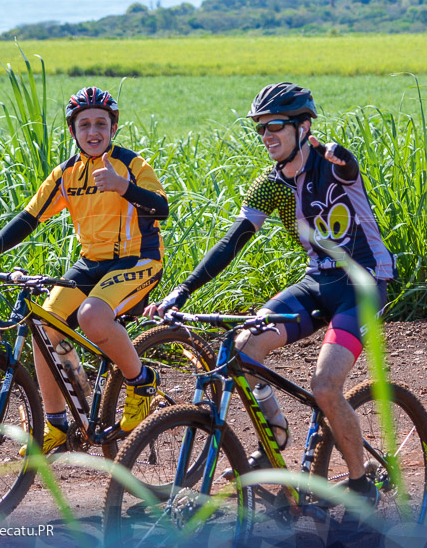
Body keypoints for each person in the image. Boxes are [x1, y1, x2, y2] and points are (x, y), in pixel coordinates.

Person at [148, 82, 395, 503]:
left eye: (275, 126)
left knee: (324, 386)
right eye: (261, 129)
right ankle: (274, 433)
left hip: (364, 284)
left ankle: (360, 486)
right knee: (242, 349)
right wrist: (182, 291)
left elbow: (348, 168)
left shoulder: (333, 164)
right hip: (318, 281)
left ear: (304, 125)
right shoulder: (271, 184)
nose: (267, 137)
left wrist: (342, 157)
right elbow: (232, 241)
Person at [0, 86, 168, 452]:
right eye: (84, 124)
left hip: (139, 259)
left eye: (101, 124)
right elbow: (29, 217)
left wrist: (124, 188)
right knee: (42, 323)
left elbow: (161, 208)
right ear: (72, 131)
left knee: (92, 315)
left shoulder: (132, 165)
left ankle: (141, 381)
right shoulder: (66, 174)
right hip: (91, 263)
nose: (93, 132)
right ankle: (57, 424)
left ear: (113, 128)